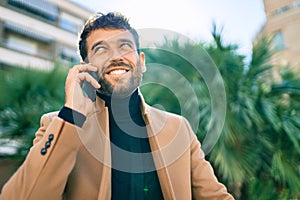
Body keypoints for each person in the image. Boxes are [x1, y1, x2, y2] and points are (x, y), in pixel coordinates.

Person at [0, 12, 234, 200]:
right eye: (101, 49)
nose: (115, 56)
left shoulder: (178, 128)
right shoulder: (57, 124)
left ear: (141, 62)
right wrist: (71, 115)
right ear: (85, 66)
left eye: (124, 46)